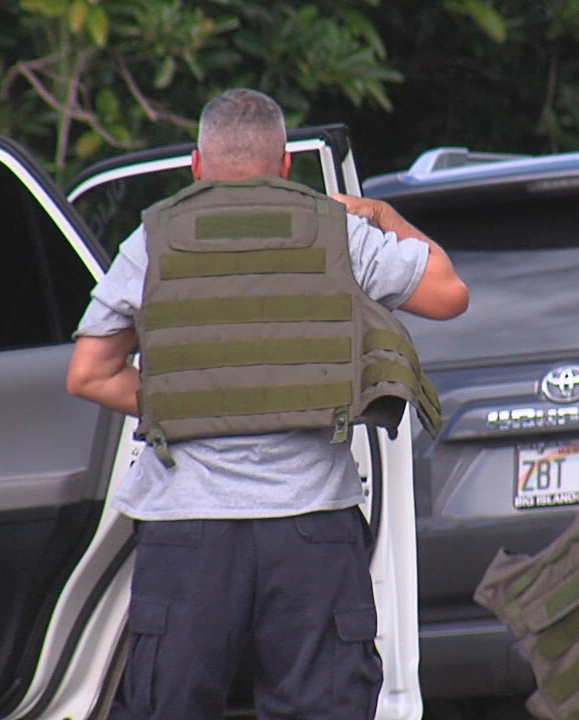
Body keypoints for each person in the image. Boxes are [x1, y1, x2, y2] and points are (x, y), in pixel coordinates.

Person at [66, 88, 468, 719]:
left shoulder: (154, 240)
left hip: (187, 532)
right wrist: (380, 212)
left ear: (196, 166)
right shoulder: (337, 230)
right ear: (285, 165)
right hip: (312, 531)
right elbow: (448, 293)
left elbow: (89, 374)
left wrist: (191, 401)